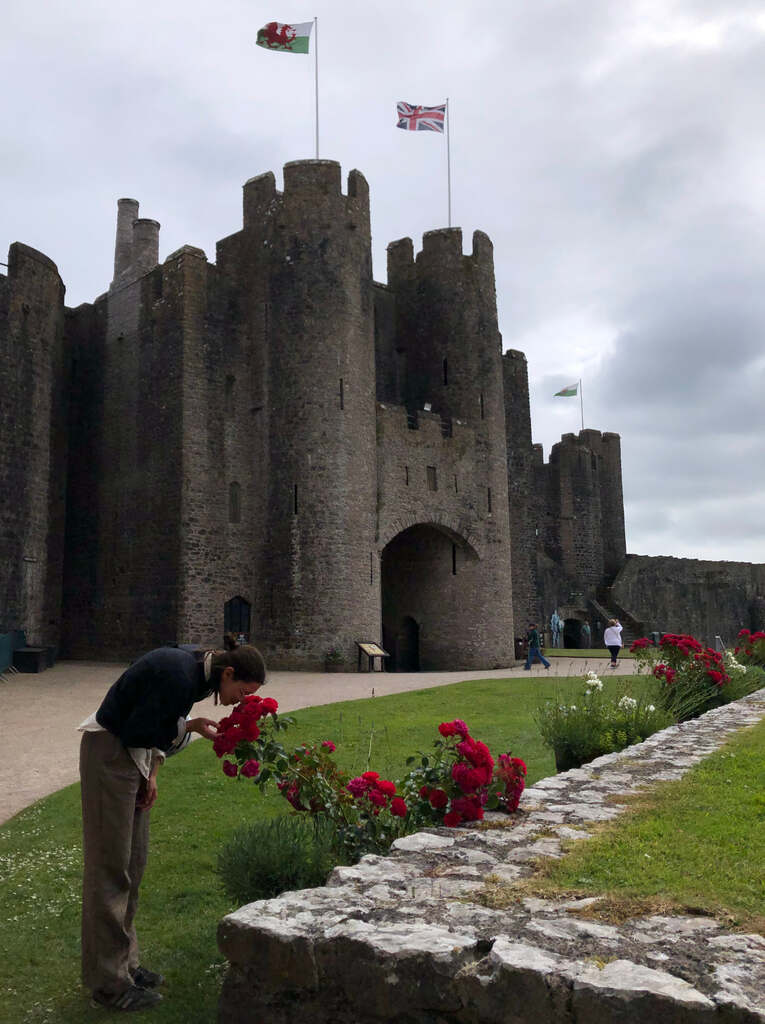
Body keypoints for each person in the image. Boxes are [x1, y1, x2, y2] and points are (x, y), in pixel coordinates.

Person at [79, 637, 266, 1012]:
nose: (238, 702)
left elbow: (156, 726)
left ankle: (127, 964)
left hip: (134, 758)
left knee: (133, 864)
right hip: (110, 756)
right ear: (228, 673)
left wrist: (153, 773)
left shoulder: (195, 673)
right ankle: (109, 984)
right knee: (111, 869)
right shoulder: (180, 676)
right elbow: (138, 731)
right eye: (241, 693)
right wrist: (190, 727)